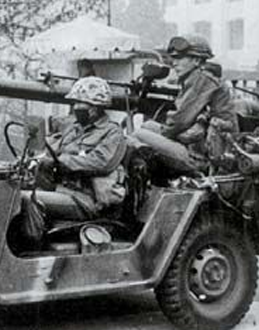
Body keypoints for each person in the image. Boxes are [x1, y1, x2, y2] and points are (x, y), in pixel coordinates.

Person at [18, 76, 127, 247]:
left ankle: (31, 249)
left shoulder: (113, 133)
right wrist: (36, 160)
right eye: (74, 103)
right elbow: (52, 151)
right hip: (62, 191)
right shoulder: (74, 130)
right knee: (9, 192)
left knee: (26, 199)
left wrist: (61, 161)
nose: (75, 108)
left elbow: (101, 162)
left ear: (95, 107)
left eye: (80, 103)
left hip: (86, 199)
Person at [130, 35, 237, 174]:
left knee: (137, 134)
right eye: (173, 58)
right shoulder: (198, 77)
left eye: (179, 58)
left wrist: (169, 132)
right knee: (147, 126)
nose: (174, 63)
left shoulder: (203, 79)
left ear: (197, 60)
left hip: (203, 158)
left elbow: (178, 121)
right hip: (200, 144)